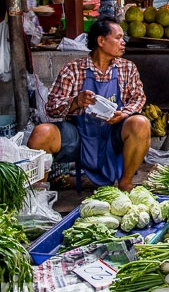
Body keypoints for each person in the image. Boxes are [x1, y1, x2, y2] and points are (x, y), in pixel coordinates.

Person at [28, 16, 150, 191]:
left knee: (141, 123)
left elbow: (139, 98)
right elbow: (51, 109)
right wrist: (75, 102)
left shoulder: (127, 68)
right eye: (118, 37)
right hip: (79, 135)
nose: (123, 42)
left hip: (113, 133)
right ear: (101, 40)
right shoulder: (73, 69)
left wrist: (123, 114)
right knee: (41, 133)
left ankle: (126, 183)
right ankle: (38, 195)